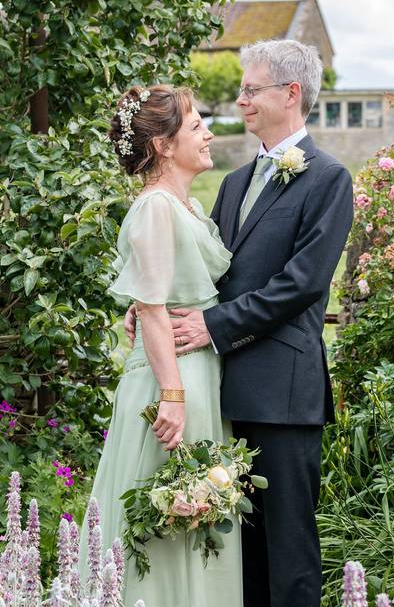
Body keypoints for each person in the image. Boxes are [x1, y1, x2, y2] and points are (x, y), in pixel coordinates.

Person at [126, 40, 354, 607]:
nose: (241, 100)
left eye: (251, 89)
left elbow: (301, 284)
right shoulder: (231, 183)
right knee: (236, 550)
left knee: (289, 545)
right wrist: (147, 300)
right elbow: (210, 273)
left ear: (291, 93)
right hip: (221, 392)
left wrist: (212, 327)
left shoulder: (329, 179)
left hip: (282, 389)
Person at [83, 84, 242, 607]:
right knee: (166, 513)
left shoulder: (185, 204)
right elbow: (151, 306)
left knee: (197, 511)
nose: (209, 133)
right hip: (168, 379)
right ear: (163, 146)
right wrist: (172, 395)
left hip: (198, 371)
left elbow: (164, 288)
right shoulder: (155, 206)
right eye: (197, 126)